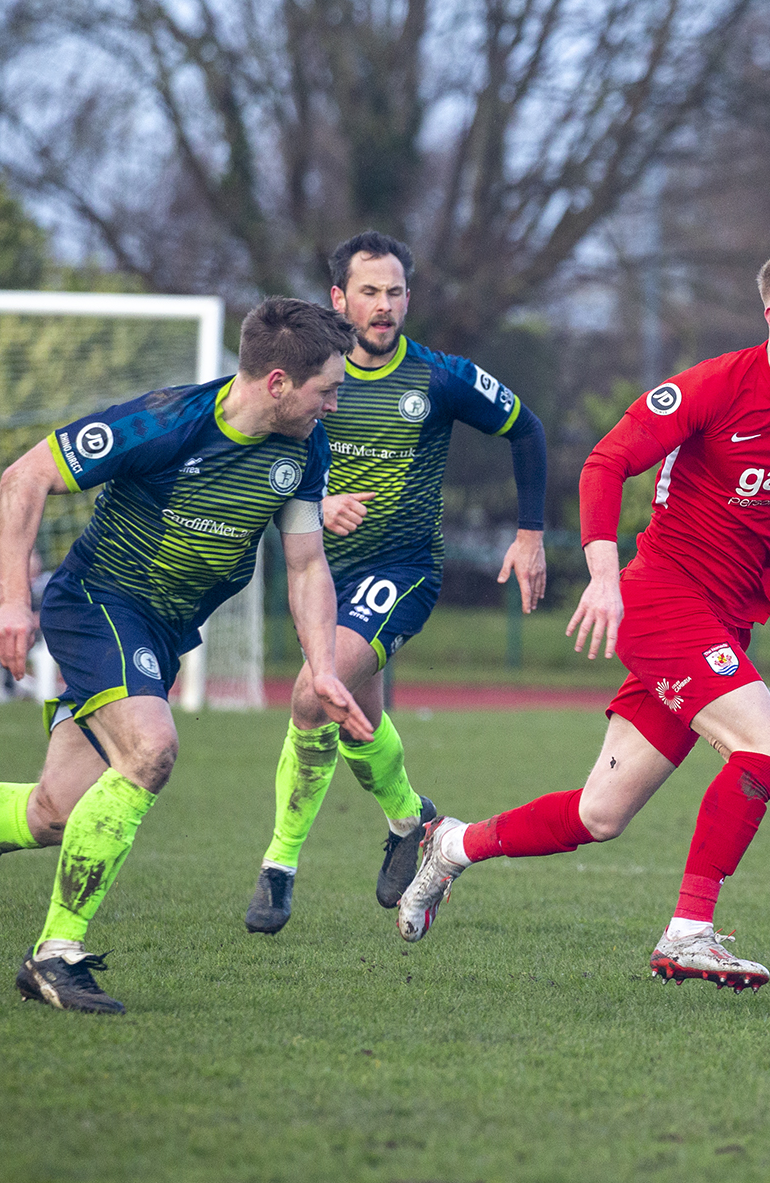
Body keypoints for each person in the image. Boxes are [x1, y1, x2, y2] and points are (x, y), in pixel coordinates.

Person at [395, 241, 770, 989]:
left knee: (600, 813)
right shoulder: (713, 387)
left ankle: (453, 845)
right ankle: (689, 931)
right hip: (663, 600)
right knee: (769, 749)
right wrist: (603, 575)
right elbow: (605, 461)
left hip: (725, 622)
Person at [0, 297, 376, 1015]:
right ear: (281, 382)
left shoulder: (306, 449)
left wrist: (321, 665)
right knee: (153, 748)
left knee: (52, 813)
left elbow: (307, 565)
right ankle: (55, 953)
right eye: (330, 387)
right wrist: (13, 600)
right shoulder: (165, 421)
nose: (338, 400)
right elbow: (23, 476)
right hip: (99, 603)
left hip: (158, 636)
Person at [242, 231, 549, 934]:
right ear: (338, 298)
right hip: (318, 570)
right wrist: (314, 507)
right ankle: (415, 821)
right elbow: (255, 461)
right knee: (358, 719)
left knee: (311, 693)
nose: (383, 306)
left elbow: (526, 428)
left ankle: (278, 868)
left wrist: (530, 535)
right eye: (370, 291)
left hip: (401, 572)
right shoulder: (303, 380)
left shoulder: (439, 377)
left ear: (410, 297)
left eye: (396, 292)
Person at [0, 549, 51, 698]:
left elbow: (44, 615)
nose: (33, 563)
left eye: (35, 558)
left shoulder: (44, 586)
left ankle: (13, 689)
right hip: (2, 635)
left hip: (35, 638)